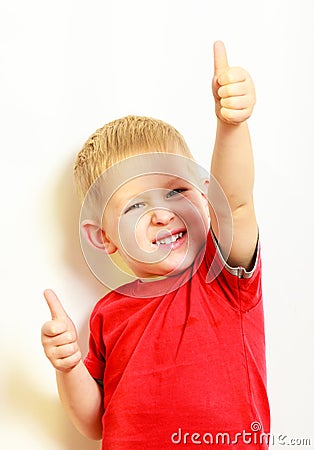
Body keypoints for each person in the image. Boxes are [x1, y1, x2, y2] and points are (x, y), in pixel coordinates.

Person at [41, 41, 270, 449]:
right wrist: (69, 366)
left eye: (175, 190)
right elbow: (94, 422)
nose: (162, 214)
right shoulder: (107, 315)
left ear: (204, 196)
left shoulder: (222, 278)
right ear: (104, 239)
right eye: (135, 206)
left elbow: (236, 202)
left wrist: (232, 125)